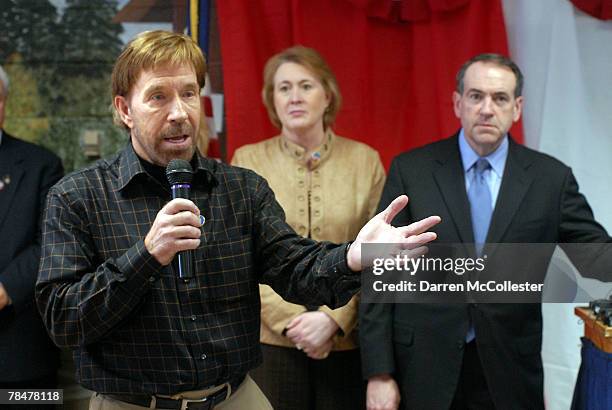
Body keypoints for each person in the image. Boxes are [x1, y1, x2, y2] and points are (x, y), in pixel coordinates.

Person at [35, 30, 440, 410]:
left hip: (234, 397)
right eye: (158, 97)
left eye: (189, 93)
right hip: (131, 403)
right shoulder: (76, 197)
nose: (179, 113)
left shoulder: (241, 188)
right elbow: (63, 320)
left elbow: (296, 267)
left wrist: (354, 255)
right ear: (125, 109)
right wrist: (146, 256)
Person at [359, 53, 612, 410]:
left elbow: (599, 261)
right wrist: (379, 373)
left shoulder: (550, 179)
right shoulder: (411, 170)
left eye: (500, 98)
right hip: (423, 366)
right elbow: (380, 271)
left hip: (509, 370)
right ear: (458, 103)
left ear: (517, 107)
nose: (487, 109)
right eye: (476, 96)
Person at [231, 46, 385, 410]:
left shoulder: (365, 161)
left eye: (306, 86)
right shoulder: (247, 161)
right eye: (284, 88)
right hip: (272, 342)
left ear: (327, 94)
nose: (295, 97)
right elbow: (241, 254)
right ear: (272, 99)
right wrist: (293, 322)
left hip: (346, 339)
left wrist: (333, 320)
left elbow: (379, 254)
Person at [0, 64, 64, 408]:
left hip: (22, 357)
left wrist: (5, 289)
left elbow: (50, 242)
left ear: (4, 103)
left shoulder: (42, 165)